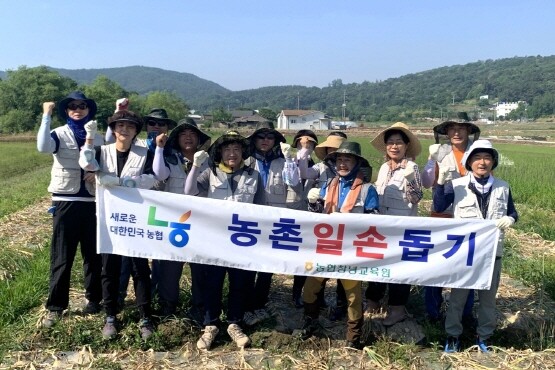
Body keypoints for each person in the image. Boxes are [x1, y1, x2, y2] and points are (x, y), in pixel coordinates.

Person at [79, 109, 161, 340]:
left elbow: (151, 179)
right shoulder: (101, 151)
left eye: (130, 127)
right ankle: (110, 316)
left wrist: (120, 181)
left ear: (136, 132)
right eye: (120, 126)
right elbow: (85, 162)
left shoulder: (144, 153)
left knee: (140, 268)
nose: (124, 130)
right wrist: (89, 137)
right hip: (108, 219)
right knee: (109, 269)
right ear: (114, 130)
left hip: (135, 218)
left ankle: (145, 316)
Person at [184, 130, 266, 350]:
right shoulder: (209, 173)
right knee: (213, 282)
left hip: (243, 239)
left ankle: (234, 323)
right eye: (227, 149)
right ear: (219, 152)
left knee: (240, 282)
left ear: (243, 152)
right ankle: (210, 325)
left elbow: (263, 209)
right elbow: (189, 191)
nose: (232, 153)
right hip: (216, 239)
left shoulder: (254, 176)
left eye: (237, 149)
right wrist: (194, 166)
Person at [433, 140, 518, 353]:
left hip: (492, 253)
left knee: (488, 300)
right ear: (469, 162)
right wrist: (441, 182)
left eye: (487, 158)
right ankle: (453, 336)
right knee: (457, 299)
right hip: (465, 253)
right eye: (477, 158)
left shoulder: (503, 187)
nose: (483, 162)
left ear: (493, 162)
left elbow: (512, 212)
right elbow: (439, 205)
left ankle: (484, 336)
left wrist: (510, 219)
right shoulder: (457, 185)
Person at [299, 141, 379, 349]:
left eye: (347, 159)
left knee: (353, 295)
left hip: (351, 250)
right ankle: (311, 321)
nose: (342, 164)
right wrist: (313, 203)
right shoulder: (328, 185)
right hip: (326, 246)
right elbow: (316, 217)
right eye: (339, 159)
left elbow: (375, 221)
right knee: (311, 287)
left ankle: (353, 337)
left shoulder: (367, 190)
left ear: (356, 163)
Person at [36, 91, 103, 328]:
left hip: (93, 201)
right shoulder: (58, 133)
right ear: (66, 111)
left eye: (82, 106)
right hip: (65, 200)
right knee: (62, 256)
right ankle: (56, 306)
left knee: (93, 255)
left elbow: (107, 163)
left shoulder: (99, 136)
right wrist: (46, 114)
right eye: (73, 106)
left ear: (88, 110)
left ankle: (94, 299)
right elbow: (43, 147)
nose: (78, 109)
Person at [421, 112, 481, 323]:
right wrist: (430, 161)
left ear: (469, 131)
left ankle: (464, 314)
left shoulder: (477, 153)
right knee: (435, 268)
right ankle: (432, 314)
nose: (456, 132)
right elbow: (427, 183)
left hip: (468, 217)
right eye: (452, 128)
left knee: (465, 267)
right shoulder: (440, 151)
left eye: (461, 128)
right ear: (446, 132)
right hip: (441, 215)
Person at [242, 122, 301, 326]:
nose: (265, 140)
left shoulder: (282, 162)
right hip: (250, 219)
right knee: (247, 262)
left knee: (266, 264)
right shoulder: (246, 161)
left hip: (274, 220)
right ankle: (246, 303)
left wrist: (290, 159)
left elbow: (293, 183)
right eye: (261, 136)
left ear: (276, 141)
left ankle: (260, 301)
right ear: (254, 140)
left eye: (270, 137)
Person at [151, 118, 211, 319]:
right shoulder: (169, 159)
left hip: (200, 223)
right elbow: (159, 176)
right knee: (170, 267)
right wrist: (159, 149)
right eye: (184, 134)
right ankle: (168, 306)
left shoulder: (208, 161)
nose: (188, 137)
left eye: (193, 134)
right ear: (176, 139)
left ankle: (199, 307)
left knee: (200, 268)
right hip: (173, 222)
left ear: (199, 139)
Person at [367, 122, 423, 326]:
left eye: (399, 142)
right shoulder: (383, 167)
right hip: (381, 225)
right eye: (390, 142)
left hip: (402, 227)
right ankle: (373, 303)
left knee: (399, 270)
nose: (394, 146)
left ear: (406, 146)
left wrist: (411, 181)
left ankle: (397, 309)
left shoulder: (412, 167)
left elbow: (416, 198)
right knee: (377, 264)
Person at [297, 131, 348, 317]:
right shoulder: (321, 167)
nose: (333, 154)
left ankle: (342, 305)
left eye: (336, 149)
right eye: (330, 150)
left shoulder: (355, 170)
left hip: (345, 224)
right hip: (323, 223)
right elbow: (303, 172)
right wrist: (304, 152)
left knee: (345, 267)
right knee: (320, 263)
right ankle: (316, 302)